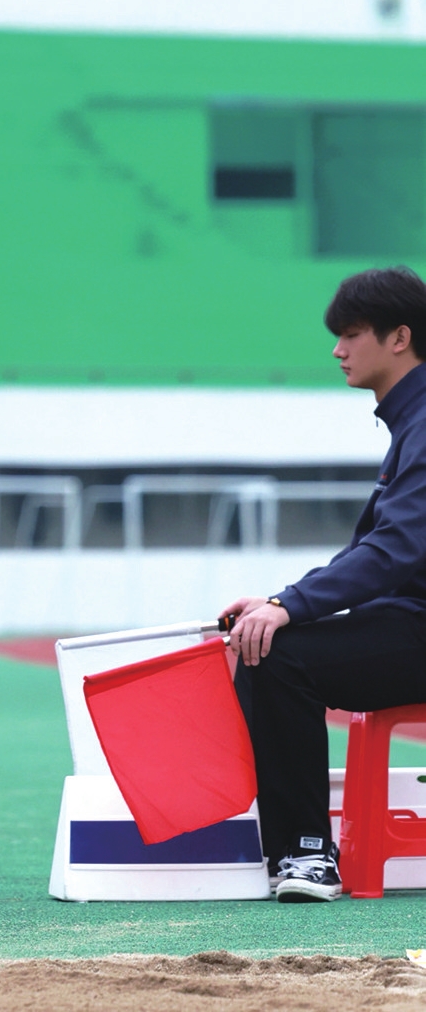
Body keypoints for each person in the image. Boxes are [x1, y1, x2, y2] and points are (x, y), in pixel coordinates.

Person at [224, 266, 426, 903]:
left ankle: (305, 854)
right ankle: (294, 848)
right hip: (411, 618)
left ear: (400, 337)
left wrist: (290, 607)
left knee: (277, 654)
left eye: (352, 333)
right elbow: (378, 552)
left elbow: (396, 551)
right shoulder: (410, 419)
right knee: (272, 638)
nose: (338, 349)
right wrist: (281, 601)